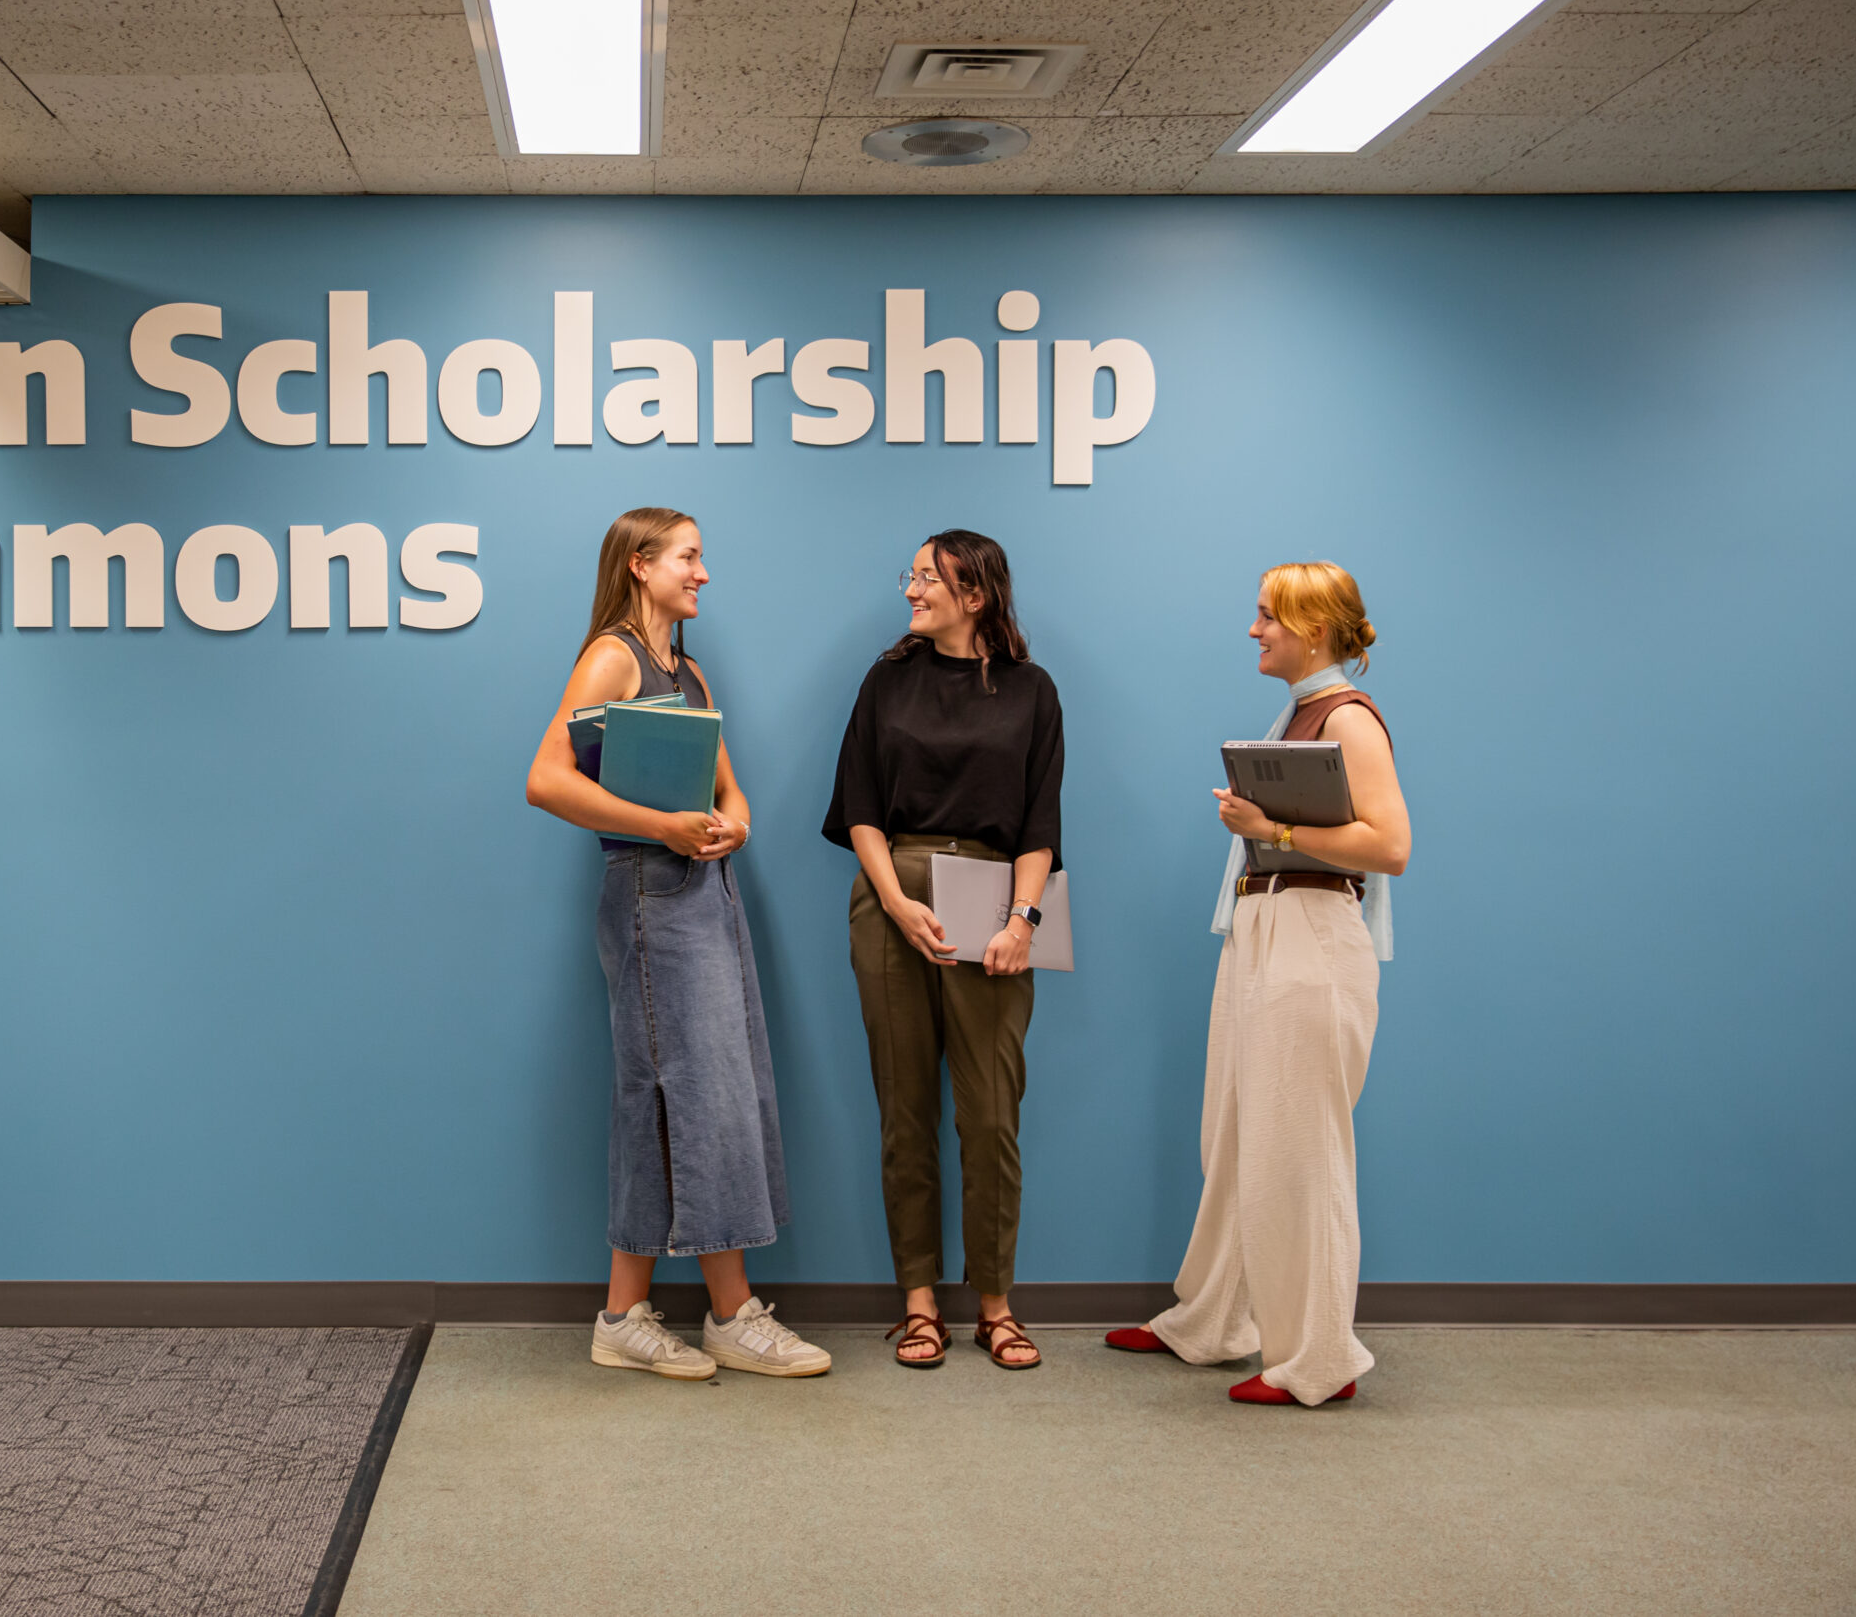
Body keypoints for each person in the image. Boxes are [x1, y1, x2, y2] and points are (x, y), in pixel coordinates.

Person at [524, 507, 830, 1381]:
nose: (703, 573)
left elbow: (732, 791)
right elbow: (547, 779)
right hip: (652, 899)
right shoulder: (612, 656)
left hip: (705, 896)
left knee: (678, 1098)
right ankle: (730, 1314)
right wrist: (664, 824)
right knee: (695, 1098)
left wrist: (731, 824)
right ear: (639, 564)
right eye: (690, 557)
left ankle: (625, 1313)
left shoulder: (687, 671)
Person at [1107, 561, 1411, 1406]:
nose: (1254, 630)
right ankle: (1213, 1319)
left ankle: (1319, 1360)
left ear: (1312, 627)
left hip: (1310, 938)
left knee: (1300, 1148)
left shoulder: (1347, 719)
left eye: (1267, 616)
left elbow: (1391, 847)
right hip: (1268, 928)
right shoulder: (1304, 710)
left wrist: (1268, 826)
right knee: (1239, 1132)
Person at [823, 531, 1064, 1373]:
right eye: (913, 575)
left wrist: (1023, 920)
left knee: (992, 1112)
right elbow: (858, 806)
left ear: (976, 594)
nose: (911, 591)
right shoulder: (885, 680)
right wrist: (896, 902)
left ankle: (996, 1303)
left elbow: (1041, 824)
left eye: (927, 578)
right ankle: (919, 1303)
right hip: (892, 897)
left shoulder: (1033, 692)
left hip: (997, 900)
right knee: (905, 1109)